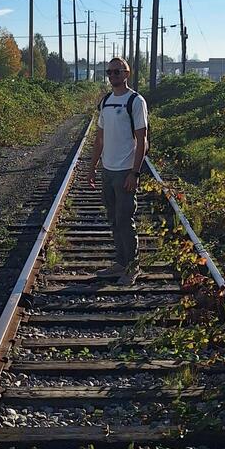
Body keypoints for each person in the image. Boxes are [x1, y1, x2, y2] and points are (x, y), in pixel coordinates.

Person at [88, 56, 148, 285]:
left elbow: (142, 141)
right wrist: (92, 167)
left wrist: (135, 173)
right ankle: (121, 263)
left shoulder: (135, 101)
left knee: (125, 220)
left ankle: (133, 267)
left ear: (127, 74)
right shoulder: (106, 101)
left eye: (117, 71)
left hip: (125, 171)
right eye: (110, 72)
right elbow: (99, 138)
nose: (113, 75)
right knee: (114, 219)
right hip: (108, 170)